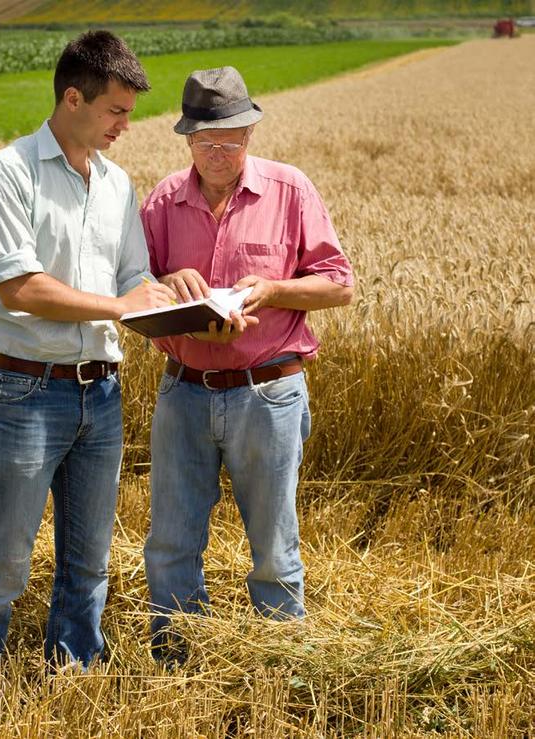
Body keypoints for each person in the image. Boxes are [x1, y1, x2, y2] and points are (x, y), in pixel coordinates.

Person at [0, 31, 176, 710]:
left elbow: (131, 274)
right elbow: (20, 288)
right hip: (25, 390)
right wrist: (120, 305)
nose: (126, 125)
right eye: (115, 111)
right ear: (72, 97)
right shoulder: (5, 173)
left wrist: (166, 298)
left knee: (88, 559)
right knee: (7, 559)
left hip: (101, 391)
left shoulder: (117, 183)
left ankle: (72, 676)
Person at [139, 66, 354, 656]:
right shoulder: (161, 201)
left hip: (269, 392)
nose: (218, 152)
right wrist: (165, 279)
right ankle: (178, 662)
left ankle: (279, 669)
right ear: (187, 139)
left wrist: (272, 289)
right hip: (183, 391)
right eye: (206, 140)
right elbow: (130, 287)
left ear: (250, 133)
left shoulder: (290, 191)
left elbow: (339, 285)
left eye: (230, 139)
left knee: (274, 544)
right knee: (171, 541)